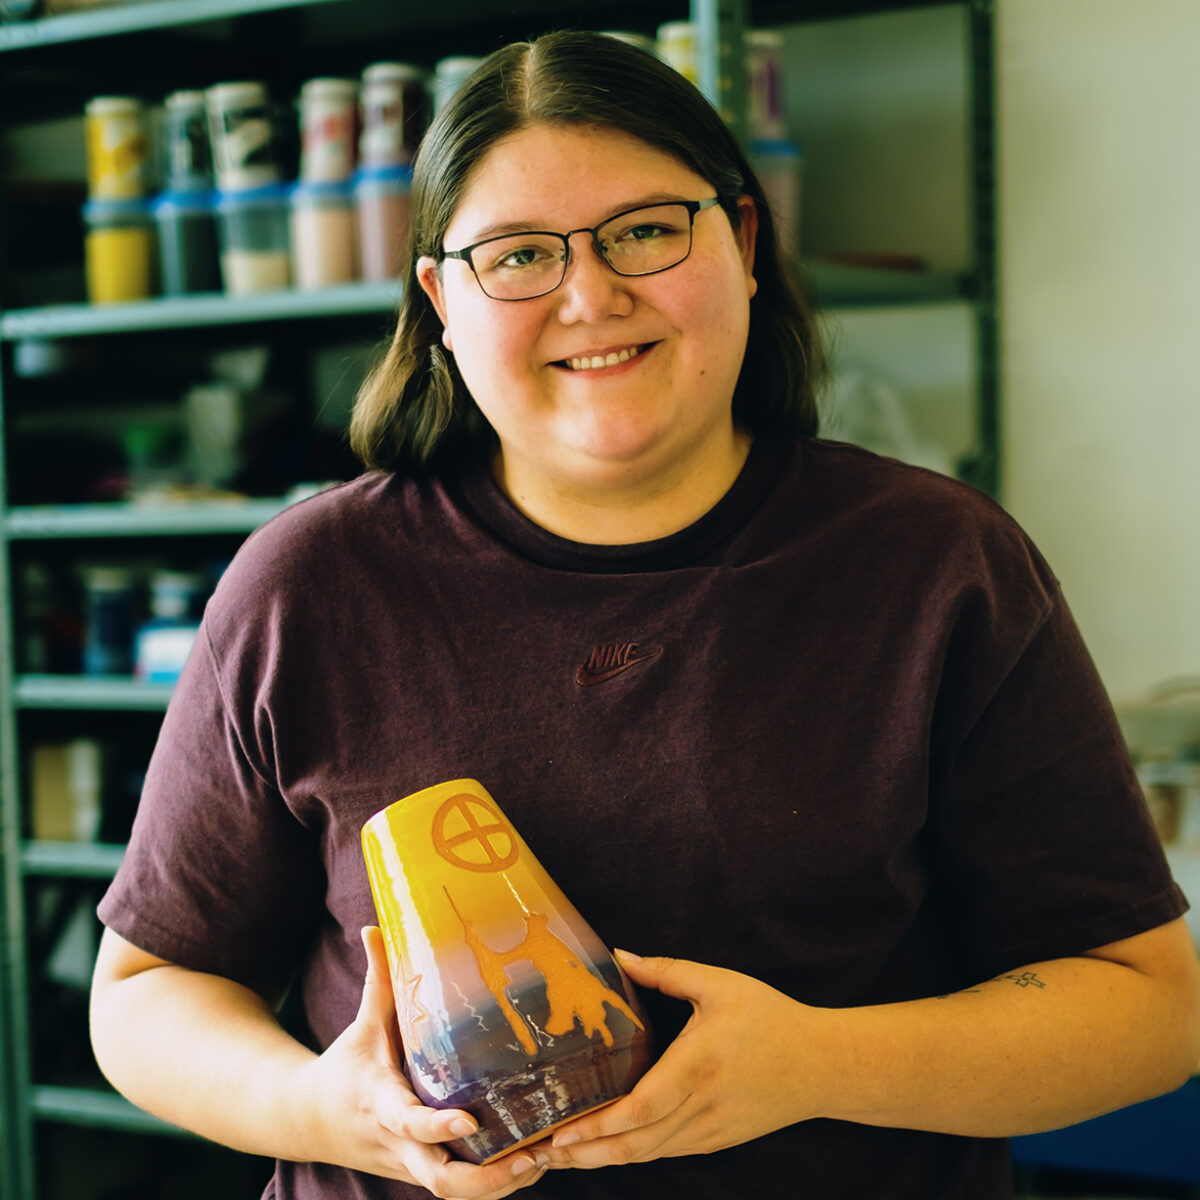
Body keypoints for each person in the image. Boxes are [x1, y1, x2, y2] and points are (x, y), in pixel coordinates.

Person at [89, 29, 1199, 1200]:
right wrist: (332, 1111)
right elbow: (149, 994)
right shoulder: (309, 584)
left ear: (745, 242)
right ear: (442, 302)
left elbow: (1148, 1010)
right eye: (519, 255)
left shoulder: (935, 566)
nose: (591, 295)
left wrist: (816, 1064)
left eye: (646, 230)